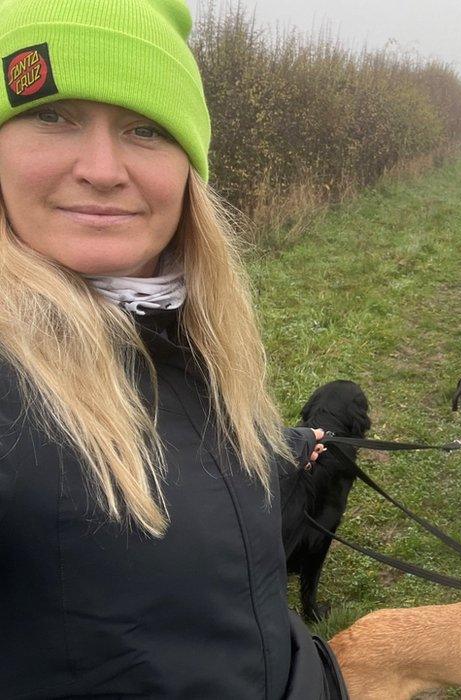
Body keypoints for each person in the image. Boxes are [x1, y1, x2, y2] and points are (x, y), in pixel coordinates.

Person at [0, 1, 345, 697]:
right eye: (52, 114)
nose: (101, 168)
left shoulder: (190, 338)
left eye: (145, 128)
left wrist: (271, 450)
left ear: (189, 169)